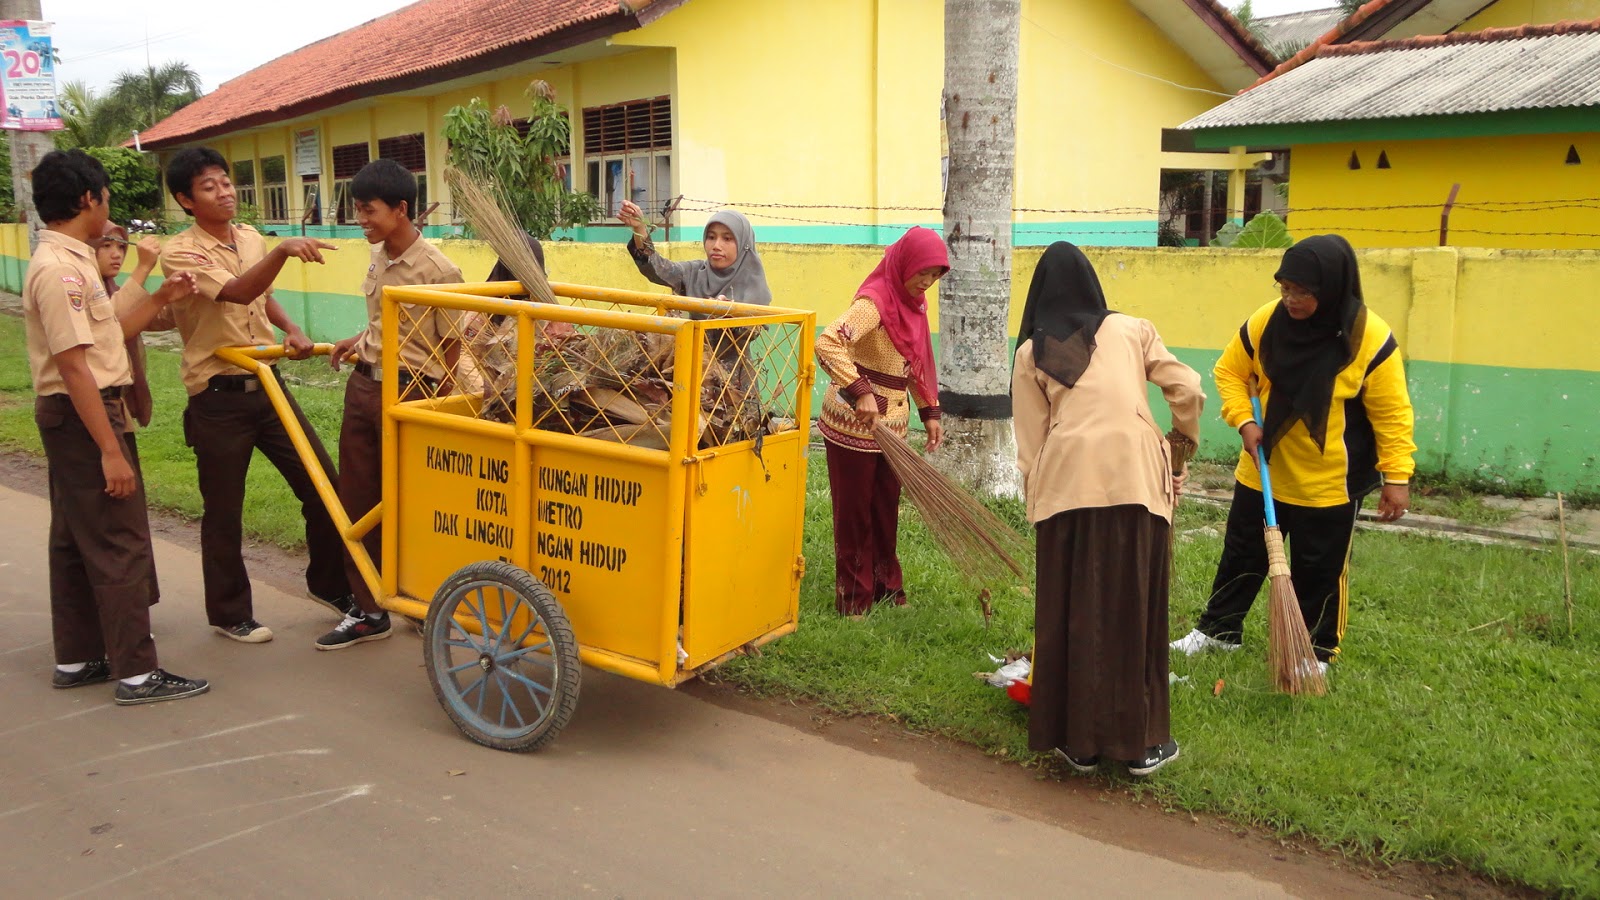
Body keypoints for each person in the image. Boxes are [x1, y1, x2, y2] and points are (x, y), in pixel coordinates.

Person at [1171, 234, 1416, 675]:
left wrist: (1396, 477)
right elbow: (1230, 371)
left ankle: (1314, 653)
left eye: (1303, 291)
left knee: (1319, 571)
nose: (1290, 299)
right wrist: (1245, 420)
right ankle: (1218, 633)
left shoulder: (1370, 339)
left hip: (1330, 483)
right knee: (1241, 555)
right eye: (1284, 288)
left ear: (1333, 288)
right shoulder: (1266, 322)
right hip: (1262, 470)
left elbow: (1392, 414)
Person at [22, 148, 208, 704]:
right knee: (119, 539)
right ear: (86, 199)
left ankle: (78, 657)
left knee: (75, 539)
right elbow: (75, 365)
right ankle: (136, 671)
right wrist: (109, 448)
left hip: (79, 412)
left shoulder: (73, 259)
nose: (109, 207)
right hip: (86, 414)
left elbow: (106, 336)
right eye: (104, 196)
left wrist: (161, 299)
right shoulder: (61, 271)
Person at [1011, 242, 1203, 777]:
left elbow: (1030, 446)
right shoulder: (1130, 329)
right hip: (1138, 479)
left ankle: (1079, 744)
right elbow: (1187, 385)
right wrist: (1180, 442)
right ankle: (1139, 746)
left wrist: (1040, 505)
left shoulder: (1031, 352)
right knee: (1132, 607)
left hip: (1067, 484)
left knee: (1072, 607)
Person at [158, 146, 349, 644]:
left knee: (322, 486)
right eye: (208, 186)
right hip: (218, 393)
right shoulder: (181, 251)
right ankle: (229, 612)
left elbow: (262, 296)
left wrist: (290, 328)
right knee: (225, 508)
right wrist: (283, 252)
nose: (224, 192)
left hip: (267, 382)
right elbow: (238, 292)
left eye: (225, 181)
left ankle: (330, 586)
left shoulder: (247, 236)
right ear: (185, 199)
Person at [319, 159, 465, 650]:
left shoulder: (440, 271)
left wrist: (439, 407)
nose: (361, 219)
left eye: (369, 210)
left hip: (410, 393)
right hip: (364, 386)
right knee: (358, 498)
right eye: (357, 209)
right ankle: (367, 607)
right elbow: (388, 323)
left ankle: (423, 598)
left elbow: (449, 347)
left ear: (402, 210)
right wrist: (358, 339)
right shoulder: (379, 256)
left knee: (413, 501)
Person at [813, 226, 947, 617]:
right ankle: (854, 598)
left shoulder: (914, 305)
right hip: (853, 424)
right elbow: (828, 342)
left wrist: (930, 411)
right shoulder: (875, 303)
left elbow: (914, 361)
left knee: (885, 509)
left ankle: (887, 588)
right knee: (854, 513)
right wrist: (860, 389)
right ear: (904, 263)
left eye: (935, 275)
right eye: (923, 271)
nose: (927, 282)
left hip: (894, 426)